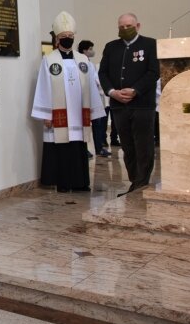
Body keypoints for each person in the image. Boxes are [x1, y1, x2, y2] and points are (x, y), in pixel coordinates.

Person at [32, 12, 105, 192]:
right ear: (57, 38)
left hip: (79, 114)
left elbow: (90, 86)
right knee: (62, 148)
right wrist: (46, 114)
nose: (67, 39)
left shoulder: (83, 60)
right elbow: (43, 86)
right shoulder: (49, 60)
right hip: (60, 115)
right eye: (63, 37)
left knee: (79, 147)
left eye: (70, 36)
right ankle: (63, 183)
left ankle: (80, 183)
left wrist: (95, 112)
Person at [98, 13, 159, 196]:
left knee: (144, 145)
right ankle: (135, 181)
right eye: (121, 26)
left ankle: (141, 184)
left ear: (138, 25)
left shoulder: (150, 44)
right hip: (119, 105)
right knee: (127, 146)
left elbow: (153, 72)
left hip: (142, 105)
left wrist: (136, 90)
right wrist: (112, 92)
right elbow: (103, 73)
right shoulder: (111, 47)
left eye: (129, 26)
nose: (125, 29)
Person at [78, 40, 111, 158]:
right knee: (84, 125)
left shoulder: (91, 64)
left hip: (93, 97)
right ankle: (84, 149)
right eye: (90, 49)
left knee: (97, 124)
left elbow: (96, 79)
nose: (92, 51)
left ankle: (99, 148)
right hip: (83, 98)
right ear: (84, 50)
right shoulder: (77, 62)